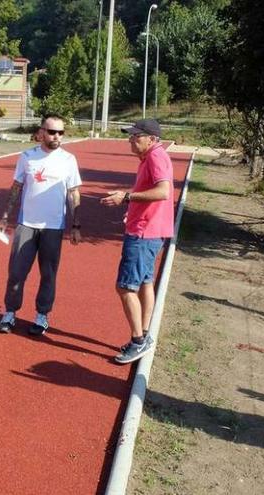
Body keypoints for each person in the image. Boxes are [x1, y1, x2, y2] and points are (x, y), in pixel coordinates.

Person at [0, 114, 82, 335]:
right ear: (41, 132)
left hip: (54, 227)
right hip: (26, 224)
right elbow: (16, 187)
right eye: (52, 132)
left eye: (61, 133)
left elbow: (73, 193)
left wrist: (76, 225)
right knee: (16, 273)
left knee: (48, 274)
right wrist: (6, 215)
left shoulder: (68, 160)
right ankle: (10, 313)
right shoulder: (27, 157)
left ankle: (42, 315)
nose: (56, 136)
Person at [101, 118, 174, 364]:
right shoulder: (151, 157)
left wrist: (126, 197)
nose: (131, 139)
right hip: (150, 229)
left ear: (152, 139)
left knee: (124, 287)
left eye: (136, 136)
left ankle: (138, 340)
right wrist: (132, 207)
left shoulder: (155, 157)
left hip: (145, 233)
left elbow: (163, 192)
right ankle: (143, 335)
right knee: (145, 283)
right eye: (130, 135)